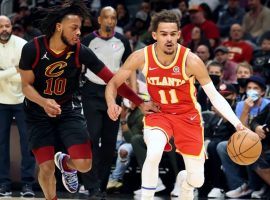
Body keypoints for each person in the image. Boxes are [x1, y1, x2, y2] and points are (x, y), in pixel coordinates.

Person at [105, 10, 255, 200]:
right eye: (163, 34)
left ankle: (185, 182)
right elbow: (113, 83)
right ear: (154, 35)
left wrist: (238, 124)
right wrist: (111, 102)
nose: (168, 39)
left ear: (178, 35)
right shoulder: (141, 56)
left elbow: (215, 96)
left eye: (172, 34)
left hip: (188, 116)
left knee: (197, 180)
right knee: (153, 153)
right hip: (159, 113)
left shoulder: (191, 61)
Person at [18, 1, 149, 200]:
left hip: (68, 110)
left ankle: (65, 164)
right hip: (38, 112)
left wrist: (140, 101)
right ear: (58, 26)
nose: (79, 32)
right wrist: (44, 102)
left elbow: (111, 79)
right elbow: (26, 86)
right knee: (45, 168)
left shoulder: (80, 51)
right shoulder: (32, 48)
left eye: (80, 28)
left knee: (84, 164)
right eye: (74, 28)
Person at [79, 6, 133, 197]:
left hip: (115, 93)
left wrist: (131, 94)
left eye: (114, 18)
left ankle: (101, 186)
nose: (110, 21)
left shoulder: (123, 41)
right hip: (91, 93)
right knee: (92, 137)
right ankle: (90, 184)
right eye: (107, 18)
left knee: (110, 143)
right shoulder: (87, 40)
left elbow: (130, 68)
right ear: (99, 20)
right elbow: (79, 66)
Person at [0, 15, 36, 197]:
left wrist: (4, 73)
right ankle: (3, 184)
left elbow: (27, 76)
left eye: (7, 26)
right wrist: (15, 69)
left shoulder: (22, 44)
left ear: (12, 27)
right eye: (1, 26)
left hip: (22, 99)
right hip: (1, 101)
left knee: (27, 144)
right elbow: (18, 73)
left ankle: (27, 185)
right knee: (1, 145)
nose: (4, 29)